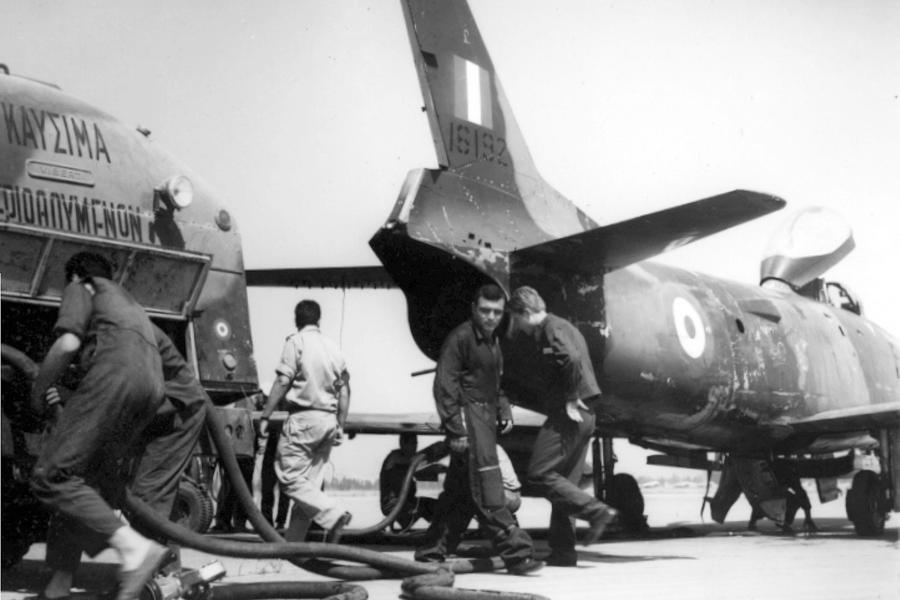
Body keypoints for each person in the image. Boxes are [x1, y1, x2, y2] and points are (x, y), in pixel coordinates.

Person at [28, 252, 168, 600]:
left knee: (51, 475)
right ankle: (59, 584)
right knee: (80, 479)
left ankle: (134, 550)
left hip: (117, 376)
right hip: (152, 388)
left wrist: (39, 389)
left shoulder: (83, 286)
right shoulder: (129, 304)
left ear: (75, 275)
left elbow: (68, 343)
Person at [34, 323, 210, 597]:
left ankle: (156, 581)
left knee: (147, 495)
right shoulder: (100, 333)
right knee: (75, 480)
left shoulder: (111, 335)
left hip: (175, 413)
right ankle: (61, 580)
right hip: (142, 408)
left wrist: (61, 400)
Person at [414, 284, 542, 575]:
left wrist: (503, 408)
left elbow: (494, 384)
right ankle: (517, 554)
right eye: (485, 310)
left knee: (460, 494)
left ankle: (431, 551)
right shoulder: (460, 339)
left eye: (497, 312)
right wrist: (456, 430)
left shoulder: (492, 341)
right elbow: (444, 386)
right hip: (469, 422)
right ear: (474, 309)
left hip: (485, 421)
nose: (491, 317)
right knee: (488, 490)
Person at [508, 286, 617, 567]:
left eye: (516, 319)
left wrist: (570, 398)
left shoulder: (551, 328)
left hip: (570, 413)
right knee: (565, 482)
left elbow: (570, 358)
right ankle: (564, 551)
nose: (517, 326)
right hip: (587, 413)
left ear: (526, 312)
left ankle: (595, 511)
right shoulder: (563, 326)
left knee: (539, 473)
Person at [257, 300, 352, 544]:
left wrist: (266, 416)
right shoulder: (334, 348)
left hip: (303, 420)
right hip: (328, 421)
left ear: (296, 320)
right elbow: (344, 391)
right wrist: (340, 425)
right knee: (307, 488)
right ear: (318, 320)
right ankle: (293, 550)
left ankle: (334, 513)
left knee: (289, 478)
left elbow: (282, 381)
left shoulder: (296, 342)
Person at [379, 432, 436, 531]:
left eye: (416, 443)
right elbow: (411, 460)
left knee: (434, 504)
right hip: (393, 505)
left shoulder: (406, 461)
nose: (415, 446)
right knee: (428, 506)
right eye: (412, 443)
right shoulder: (394, 457)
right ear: (402, 444)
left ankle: (438, 529)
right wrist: (433, 450)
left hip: (405, 503)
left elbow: (417, 468)